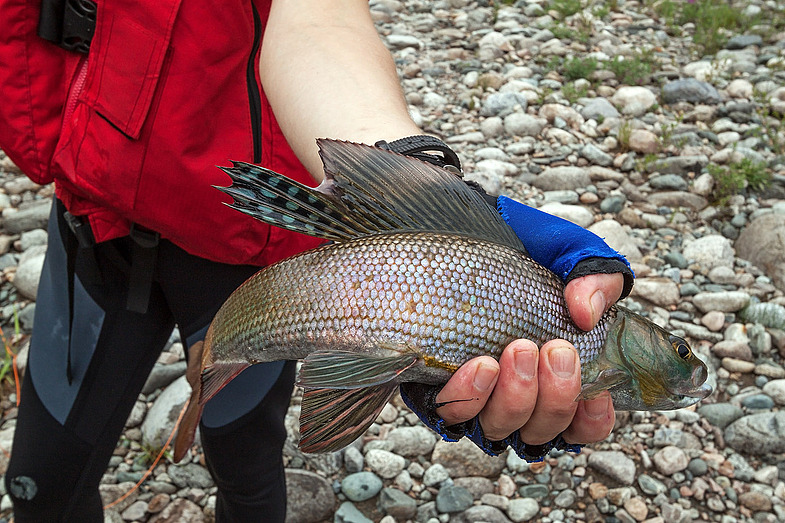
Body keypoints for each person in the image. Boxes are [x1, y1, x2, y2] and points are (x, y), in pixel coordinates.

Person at [0, 0, 631, 521]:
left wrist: (409, 181)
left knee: (247, 469)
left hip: (249, 248)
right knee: (36, 487)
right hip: (94, 214)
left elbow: (316, 17)